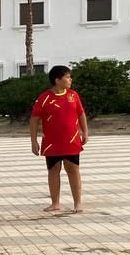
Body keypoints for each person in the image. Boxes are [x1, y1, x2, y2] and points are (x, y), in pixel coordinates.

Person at [30, 65, 88, 214]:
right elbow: (34, 119)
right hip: (51, 142)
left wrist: (85, 132)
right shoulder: (44, 98)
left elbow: (81, 114)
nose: (70, 80)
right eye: (67, 77)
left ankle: (78, 203)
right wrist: (33, 141)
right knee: (53, 170)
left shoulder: (73, 95)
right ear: (57, 80)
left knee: (73, 169)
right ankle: (55, 203)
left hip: (71, 140)